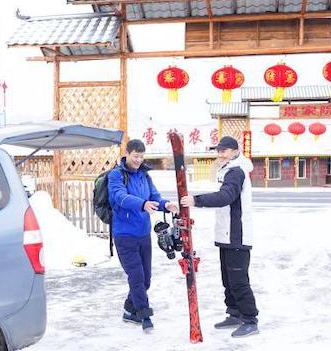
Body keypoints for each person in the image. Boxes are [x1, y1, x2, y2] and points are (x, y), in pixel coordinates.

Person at [180, 136, 258, 338]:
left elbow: (225, 197)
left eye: (224, 151)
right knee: (228, 278)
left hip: (237, 235)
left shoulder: (236, 171)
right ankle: (234, 313)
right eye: (218, 151)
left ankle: (250, 320)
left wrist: (196, 201)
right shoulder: (227, 169)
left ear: (234, 151)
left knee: (239, 280)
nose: (220, 155)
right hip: (226, 234)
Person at [108, 139, 178, 332]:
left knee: (145, 278)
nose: (139, 160)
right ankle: (143, 314)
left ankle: (129, 310)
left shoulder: (144, 176)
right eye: (135, 156)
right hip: (124, 235)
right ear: (127, 153)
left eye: (141, 156)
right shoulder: (117, 175)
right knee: (137, 276)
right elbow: (119, 197)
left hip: (143, 233)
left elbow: (154, 197)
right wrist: (141, 204)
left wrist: (166, 205)